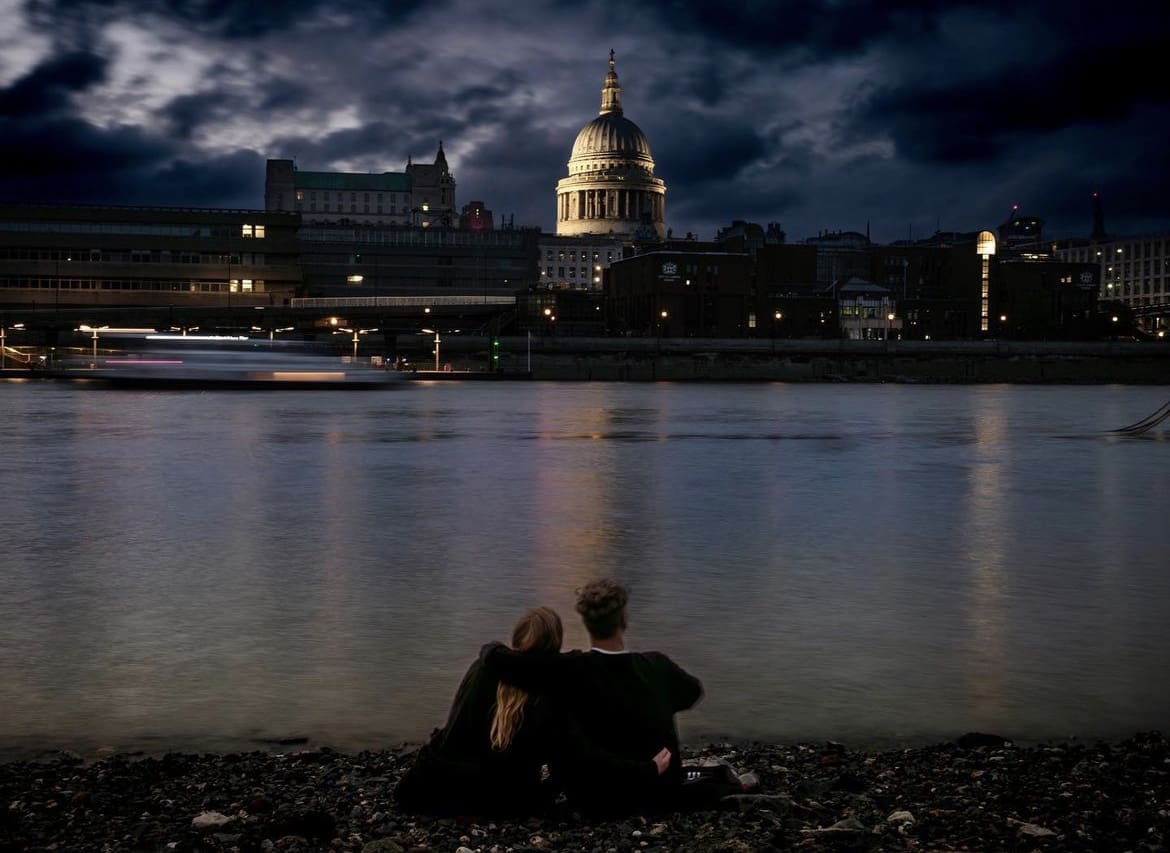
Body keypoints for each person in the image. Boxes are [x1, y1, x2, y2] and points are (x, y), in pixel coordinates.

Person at [482, 578, 735, 815]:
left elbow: (494, 659)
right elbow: (692, 692)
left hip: (596, 800)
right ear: (623, 620)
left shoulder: (572, 670)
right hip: (660, 793)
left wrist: (493, 646)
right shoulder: (657, 665)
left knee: (562, 716)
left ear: (586, 623)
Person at [393, 606, 566, 816]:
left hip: (452, 783)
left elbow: (457, 724)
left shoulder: (483, 667)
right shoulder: (552, 685)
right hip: (505, 796)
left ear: (516, 638)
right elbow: (552, 751)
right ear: (556, 642)